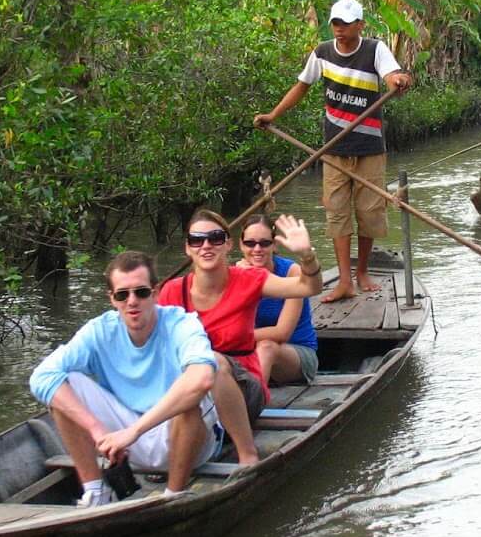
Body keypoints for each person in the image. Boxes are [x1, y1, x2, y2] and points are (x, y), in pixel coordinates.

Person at [29, 251, 221, 506]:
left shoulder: (182, 324)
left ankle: (174, 494)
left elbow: (202, 379)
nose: (132, 301)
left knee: (188, 395)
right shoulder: (99, 330)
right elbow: (41, 377)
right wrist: (97, 431)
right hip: (125, 442)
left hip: (186, 441)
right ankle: (95, 491)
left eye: (141, 292)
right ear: (112, 299)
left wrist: (133, 432)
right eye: (123, 294)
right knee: (64, 383)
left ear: (155, 292)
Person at [254, 0, 413, 302]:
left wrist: (399, 79)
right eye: (335, 23)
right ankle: (344, 280)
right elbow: (302, 86)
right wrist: (273, 115)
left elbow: (393, 74)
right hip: (333, 148)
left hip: (369, 147)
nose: (339, 29)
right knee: (336, 212)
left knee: (369, 212)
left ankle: (362, 272)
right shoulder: (322, 53)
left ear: (360, 25)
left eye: (346, 23)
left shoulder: (374, 49)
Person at [158, 210, 323, 464]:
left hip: (244, 386)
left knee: (212, 361)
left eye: (215, 238)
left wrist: (307, 255)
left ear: (227, 244)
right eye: (197, 240)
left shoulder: (248, 279)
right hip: (193, 389)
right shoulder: (172, 291)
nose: (206, 246)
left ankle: (247, 454)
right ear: (188, 248)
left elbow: (309, 287)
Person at [238, 214, 319, 386]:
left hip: (294, 353)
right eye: (250, 243)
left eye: (264, 243)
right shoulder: (235, 274)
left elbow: (282, 333)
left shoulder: (292, 272)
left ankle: (251, 405)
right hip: (249, 350)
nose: (257, 249)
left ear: (274, 245)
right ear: (241, 245)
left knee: (267, 347)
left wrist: (233, 337)